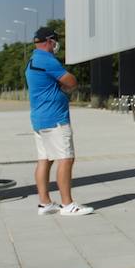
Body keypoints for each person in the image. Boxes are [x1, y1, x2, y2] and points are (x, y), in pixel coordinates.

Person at [25, 27, 91, 216]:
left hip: (39, 118)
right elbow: (70, 81)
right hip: (54, 119)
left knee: (44, 160)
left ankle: (45, 203)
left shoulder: (32, 61)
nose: (57, 45)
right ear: (49, 41)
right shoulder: (47, 60)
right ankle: (67, 204)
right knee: (66, 159)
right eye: (55, 41)